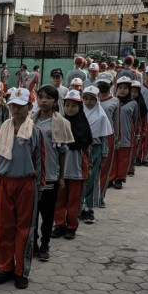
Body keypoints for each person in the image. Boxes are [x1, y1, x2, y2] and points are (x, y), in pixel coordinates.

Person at [0, 88, 45, 289]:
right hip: (4, 182)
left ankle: (21, 270)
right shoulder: (2, 130)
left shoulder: (35, 132)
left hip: (26, 184)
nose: (16, 109)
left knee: (25, 229)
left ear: (30, 107)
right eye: (13, 105)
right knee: (3, 227)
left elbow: (40, 161)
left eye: (21, 106)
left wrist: (39, 185)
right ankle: (5, 268)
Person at [31, 85, 73, 261]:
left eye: (48, 98)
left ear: (55, 101)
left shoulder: (61, 123)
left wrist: (61, 177)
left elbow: (63, 152)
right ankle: (32, 245)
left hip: (50, 176)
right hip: (32, 176)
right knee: (31, 215)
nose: (43, 101)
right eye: (40, 97)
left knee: (47, 216)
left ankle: (45, 246)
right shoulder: (30, 121)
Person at [51, 90, 92, 240]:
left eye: (74, 106)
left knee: (74, 200)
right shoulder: (60, 122)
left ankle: (71, 226)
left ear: (79, 107)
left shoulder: (83, 125)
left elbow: (87, 144)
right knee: (60, 198)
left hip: (76, 168)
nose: (70, 108)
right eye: (67, 105)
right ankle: (59, 224)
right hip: (61, 169)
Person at [81, 86, 113, 225]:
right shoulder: (78, 113)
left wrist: (104, 154)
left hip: (95, 150)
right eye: (86, 98)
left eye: (92, 99)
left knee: (92, 178)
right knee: (79, 179)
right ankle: (78, 207)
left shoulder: (101, 116)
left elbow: (104, 137)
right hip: (80, 150)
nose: (88, 102)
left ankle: (89, 208)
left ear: (97, 100)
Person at [111, 77, 138, 189]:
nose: (122, 90)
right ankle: (110, 178)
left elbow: (136, 120)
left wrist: (136, 133)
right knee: (113, 158)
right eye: (120, 88)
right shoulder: (113, 102)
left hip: (126, 136)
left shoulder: (133, 104)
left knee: (123, 159)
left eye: (125, 88)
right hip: (113, 136)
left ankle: (119, 179)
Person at [96, 77, 118, 207]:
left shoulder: (115, 102)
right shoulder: (91, 99)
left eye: (105, 83)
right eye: (101, 83)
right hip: (93, 135)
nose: (103, 86)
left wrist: (117, 140)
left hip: (109, 136)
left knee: (104, 168)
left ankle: (100, 196)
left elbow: (116, 123)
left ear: (110, 84)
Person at [129, 80, 147, 176]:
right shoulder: (124, 102)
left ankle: (131, 169)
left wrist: (143, 130)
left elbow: (144, 119)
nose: (133, 94)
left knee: (133, 151)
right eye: (131, 91)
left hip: (136, 131)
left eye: (135, 92)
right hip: (126, 131)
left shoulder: (141, 104)